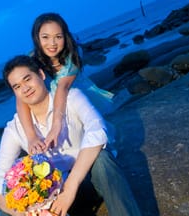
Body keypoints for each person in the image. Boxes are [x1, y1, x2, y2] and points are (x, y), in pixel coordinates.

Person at [0, 55, 151, 216]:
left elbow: (98, 130)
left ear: (41, 74)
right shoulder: (15, 128)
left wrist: (70, 187)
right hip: (51, 204)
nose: (25, 88)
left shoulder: (71, 97)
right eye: (17, 86)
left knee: (103, 160)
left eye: (27, 79)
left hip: (88, 184)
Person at [17, 12, 116, 155]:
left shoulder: (73, 53)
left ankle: (102, 150)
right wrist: (31, 136)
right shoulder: (31, 60)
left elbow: (62, 88)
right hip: (51, 100)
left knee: (86, 127)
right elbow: (21, 99)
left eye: (58, 37)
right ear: (37, 38)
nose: (52, 44)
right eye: (45, 37)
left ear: (65, 36)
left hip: (75, 94)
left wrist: (56, 125)